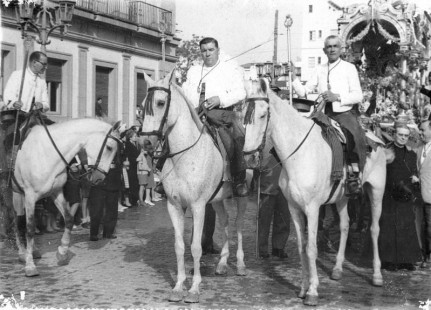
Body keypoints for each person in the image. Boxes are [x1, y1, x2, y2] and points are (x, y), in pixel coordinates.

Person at [182, 37, 248, 255]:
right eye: (203, 50)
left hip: (222, 115)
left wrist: (220, 98)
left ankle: (238, 179)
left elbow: (241, 91)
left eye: (211, 49)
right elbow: (187, 92)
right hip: (197, 115)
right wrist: (196, 102)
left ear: (218, 50)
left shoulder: (229, 68)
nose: (207, 53)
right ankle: (165, 176)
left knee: (235, 138)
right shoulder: (194, 70)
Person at [289, 35, 365, 196]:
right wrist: (294, 77)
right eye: (329, 47)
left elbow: (358, 95)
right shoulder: (319, 69)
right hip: (324, 114)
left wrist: (337, 97)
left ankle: (353, 174)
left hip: (344, 113)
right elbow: (304, 91)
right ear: (324, 50)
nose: (332, 49)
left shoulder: (349, 68)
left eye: (335, 46)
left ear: (340, 49)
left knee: (352, 135)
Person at [378, 125, 422, 271]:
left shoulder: (411, 154)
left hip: (405, 194)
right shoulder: (386, 151)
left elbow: (414, 171)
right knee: (389, 227)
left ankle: (406, 260)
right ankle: (389, 260)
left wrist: (415, 178)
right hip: (389, 195)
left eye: (406, 136)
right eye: (400, 134)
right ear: (394, 134)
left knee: (406, 226)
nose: (403, 138)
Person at [2, 51, 50, 151]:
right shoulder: (17, 75)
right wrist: (15, 103)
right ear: (34, 62)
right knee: (10, 138)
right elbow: (7, 95)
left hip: (35, 117)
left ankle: (72, 164)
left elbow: (46, 104)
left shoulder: (42, 81)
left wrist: (41, 105)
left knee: (55, 133)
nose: (46, 67)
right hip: (18, 115)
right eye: (44, 64)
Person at [257, 140, 290, 259]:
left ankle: (279, 247)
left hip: (285, 182)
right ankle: (262, 249)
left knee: (284, 216)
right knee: (264, 218)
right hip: (267, 183)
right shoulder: (264, 137)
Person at [88, 153, 122, 241]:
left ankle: (108, 233)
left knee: (112, 210)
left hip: (113, 183)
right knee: (96, 210)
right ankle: (94, 234)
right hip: (99, 185)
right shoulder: (99, 151)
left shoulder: (117, 151)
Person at [417, 120, 431, 268]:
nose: (420, 133)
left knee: (430, 227)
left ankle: (429, 256)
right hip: (420, 194)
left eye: (423, 130)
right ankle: (423, 253)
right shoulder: (420, 148)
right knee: (422, 226)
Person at [123, 129, 140, 207]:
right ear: (130, 137)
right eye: (134, 136)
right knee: (131, 183)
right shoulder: (128, 145)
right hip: (130, 166)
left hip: (135, 166)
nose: (136, 137)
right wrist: (135, 159)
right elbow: (128, 156)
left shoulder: (134, 144)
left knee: (135, 183)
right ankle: (131, 200)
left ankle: (134, 199)